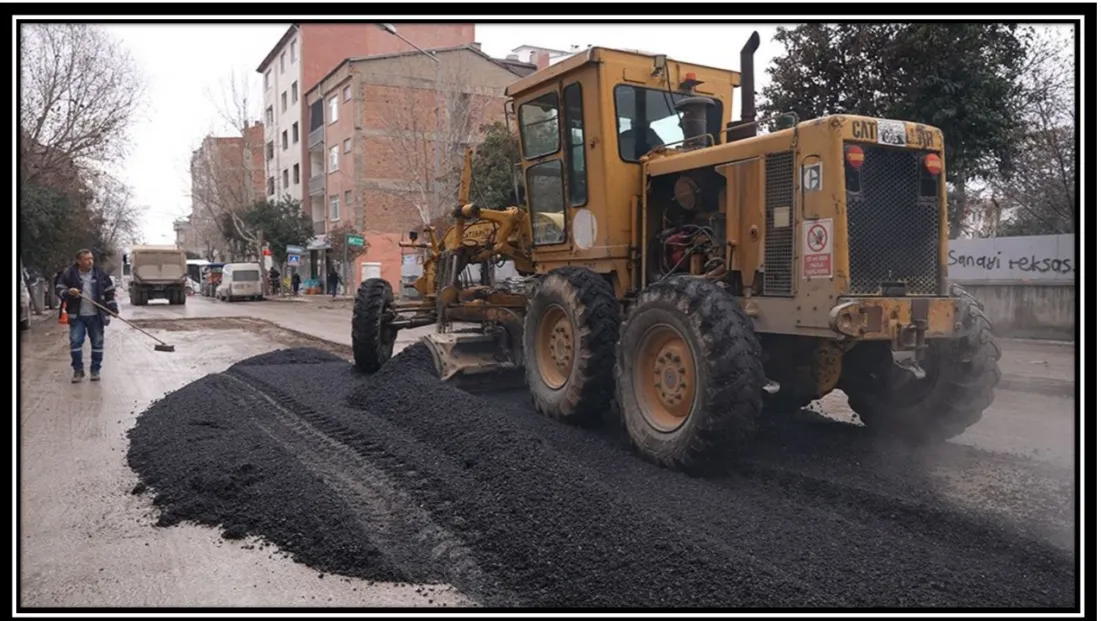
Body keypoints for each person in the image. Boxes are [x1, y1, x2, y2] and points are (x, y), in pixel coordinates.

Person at [55, 249, 119, 383]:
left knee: (97, 343)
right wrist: (68, 292)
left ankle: (95, 370)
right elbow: (59, 289)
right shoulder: (69, 274)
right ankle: (78, 371)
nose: (90, 261)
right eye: (86, 259)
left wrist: (113, 308)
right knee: (75, 342)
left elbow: (109, 293)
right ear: (78, 261)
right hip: (77, 315)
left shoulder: (100, 275)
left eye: (91, 259)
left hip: (96, 316)